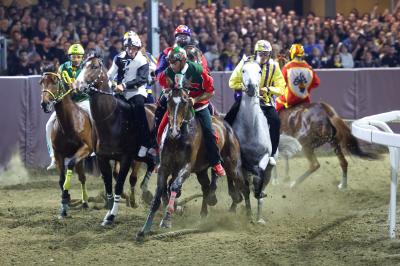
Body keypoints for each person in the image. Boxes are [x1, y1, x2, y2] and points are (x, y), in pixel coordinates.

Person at [158, 46, 226, 176]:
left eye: (174, 62)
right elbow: (163, 84)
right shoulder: (168, 71)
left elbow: (211, 92)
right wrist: (167, 91)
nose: (171, 65)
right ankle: (159, 158)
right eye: (170, 62)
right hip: (179, 107)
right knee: (161, 129)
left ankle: (216, 162)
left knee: (209, 132)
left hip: (199, 106)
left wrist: (195, 100)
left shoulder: (198, 71)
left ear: (183, 60)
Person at [225, 40, 286, 165]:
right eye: (261, 54)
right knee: (228, 119)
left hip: (264, 102)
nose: (264, 57)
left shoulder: (274, 66)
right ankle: (224, 150)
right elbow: (232, 82)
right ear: (256, 53)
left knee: (275, 121)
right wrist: (245, 87)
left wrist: (268, 89)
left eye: (266, 54)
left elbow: (281, 87)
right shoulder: (246, 62)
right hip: (246, 100)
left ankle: (272, 153)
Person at [107, 31, 155, 158]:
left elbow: (142, 80)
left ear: (138, 48)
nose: (130, 50)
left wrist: (124, 86)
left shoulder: (143, 60)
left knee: (139, 112)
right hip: (119, 92)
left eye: (133, 48)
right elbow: (110, 74)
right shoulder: (118, 57)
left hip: (136, 91)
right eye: (128, 47)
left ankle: (145, 143)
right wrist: (112, 84)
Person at [46, 43, 91, 170]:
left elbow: (90, 84)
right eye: (73, 56)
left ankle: (96, 147)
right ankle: (53, 157)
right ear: (69, 57)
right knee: (49, 124)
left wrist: (80, 88)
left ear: (82, 57)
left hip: (83, 100)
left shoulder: (87, 68)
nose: (75, 59)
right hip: (68, 102)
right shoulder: (63, 67)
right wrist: (67, 87)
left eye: (78, 57)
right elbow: (59, 84)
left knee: (95, 120)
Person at [276, 43, 320, 112]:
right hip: (305, 101)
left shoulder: (287, 67)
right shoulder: (309, 68)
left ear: (292, 54)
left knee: (277, 103)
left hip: (290, 101)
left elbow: (281, 83)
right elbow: (316, 83)